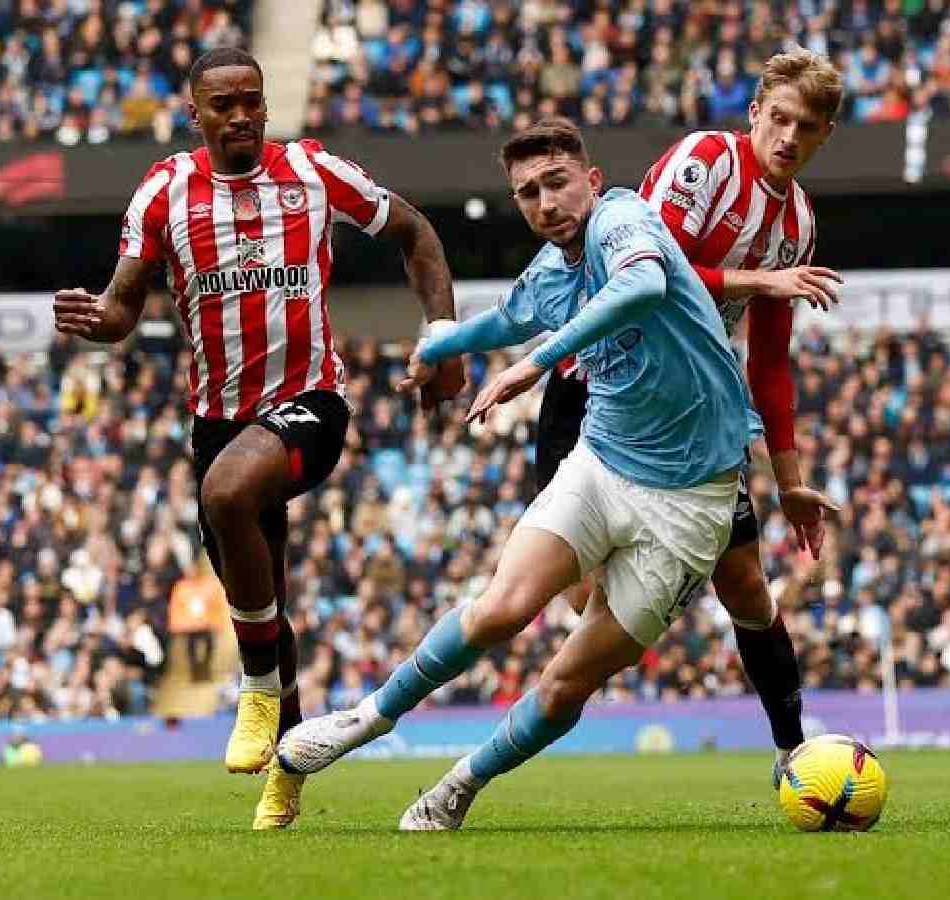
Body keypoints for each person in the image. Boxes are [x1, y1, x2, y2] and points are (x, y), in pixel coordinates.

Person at [278, 117, 835, 831]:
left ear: (592, 182)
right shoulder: (550, 274)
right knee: (501, 607)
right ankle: (370, 716)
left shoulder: (624, 219)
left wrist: (534, 364)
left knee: (568, 679)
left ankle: (460, 784)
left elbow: (640, 284)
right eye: (528, 192)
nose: (546, 203)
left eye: (557, 183)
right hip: (602, 464)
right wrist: (440, 345)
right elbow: (505, 318)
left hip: (693, 504)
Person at [51, 47, 464, 829]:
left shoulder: (313, 172)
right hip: (218, 423)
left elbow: (417, 232)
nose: (239, 115)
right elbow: (122, 306)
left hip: (309, 403)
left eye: (251, 100)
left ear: (265, 105)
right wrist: (94, 321)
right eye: (222, 104)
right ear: (195, 114)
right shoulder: (166, 194)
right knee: (266, 599)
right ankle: (289, 768)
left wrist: (440, 338)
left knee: (228, 494)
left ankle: (258, 690)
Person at [536, 48, 845, 783]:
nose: (788, 138)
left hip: (693, 407)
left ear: (825, 135)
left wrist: (790, 480)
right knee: (583, 593)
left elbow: (769, 361)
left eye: (806, 127)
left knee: (746, 583)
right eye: (778, 119)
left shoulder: (797, 223)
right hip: (596, 381)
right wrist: (757, 279)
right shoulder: (705, 162)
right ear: (755, 114)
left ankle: (793, 751)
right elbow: (644, 271)